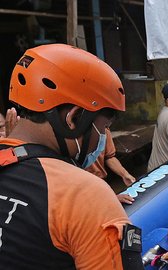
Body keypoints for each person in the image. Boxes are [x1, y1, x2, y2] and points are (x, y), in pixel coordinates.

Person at [0, 44, 143, 269]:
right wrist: (93, 206)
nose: (103, 138)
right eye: (104, 127)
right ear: (74, 118)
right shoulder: (84, 196)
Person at [86, 128, 136, 204]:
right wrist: (109, 199)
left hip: (101, 182)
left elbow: (109, 156)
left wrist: (124, 174)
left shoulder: (104, 128)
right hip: (85, 188)